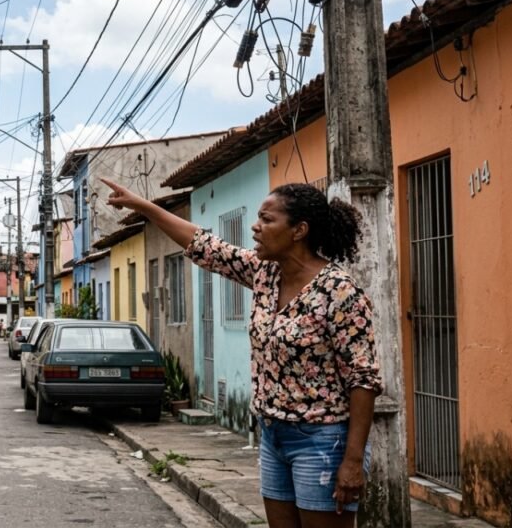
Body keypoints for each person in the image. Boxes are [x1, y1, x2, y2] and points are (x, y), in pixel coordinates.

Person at [102, 178, 382, 528]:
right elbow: (204, 245)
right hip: (273, 436)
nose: (256, 226)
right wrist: (141, 205)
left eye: (267, 219)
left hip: (324, 441)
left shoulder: (340, 292)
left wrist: (353, 461)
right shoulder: (266, 274)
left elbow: (364, 379)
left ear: (299, 230)